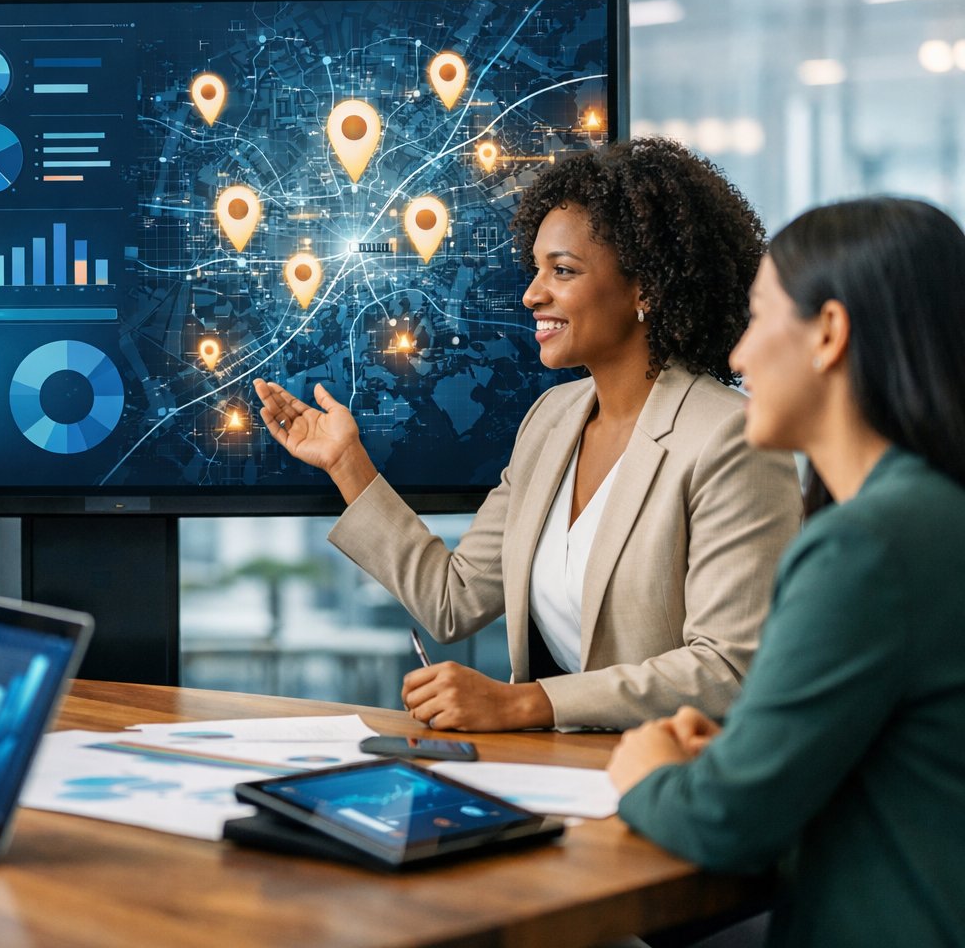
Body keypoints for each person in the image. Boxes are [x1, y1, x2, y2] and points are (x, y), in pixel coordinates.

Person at [253, 138, 802, 731]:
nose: (531, 294)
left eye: (562, 271)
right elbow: (453, 598)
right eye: (535, 268)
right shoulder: (551, 420)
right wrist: (346, 462)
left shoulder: (731, 438)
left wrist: (525, 703)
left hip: (674, 783)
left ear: (646, 287)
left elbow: (730, 669)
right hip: (556, 770)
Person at [608, 197, 965, 946]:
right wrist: (750, 754)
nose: (738, 358)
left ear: (829, 333)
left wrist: (646, 770)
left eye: (759, 317)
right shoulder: (933, 517)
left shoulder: (867, 546)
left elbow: (726, 822)